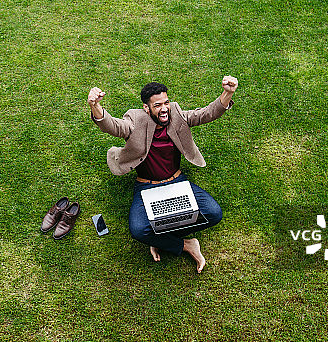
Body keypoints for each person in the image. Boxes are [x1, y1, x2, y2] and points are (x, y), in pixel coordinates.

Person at [88, 76, 238, 272]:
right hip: (146, 185)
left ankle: (160, 239)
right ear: (146, 108)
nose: (164, 108)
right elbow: (113, 126)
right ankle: (185, 244)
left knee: (214, 213)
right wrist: (95, 106)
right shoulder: (135, 120)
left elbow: (205, 114)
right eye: (157, 105)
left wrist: (228, 93)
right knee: (138, 230)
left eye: (166, 102)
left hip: (176, 181)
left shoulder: (176, 114)